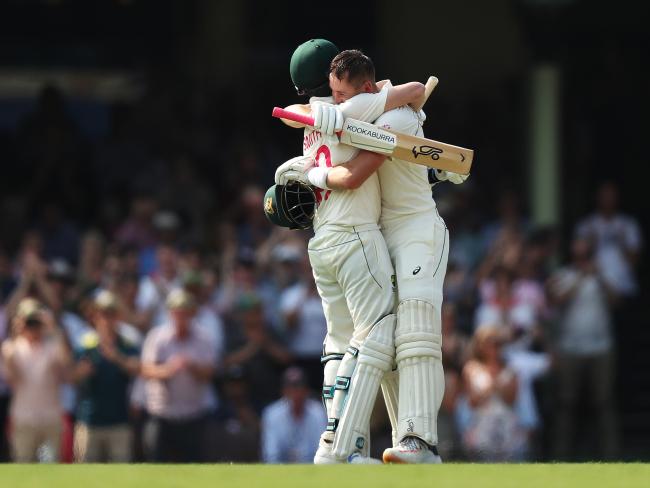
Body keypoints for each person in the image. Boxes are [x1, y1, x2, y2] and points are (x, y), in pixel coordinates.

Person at [275, 48, 468, 463]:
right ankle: (387, 441)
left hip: (416, 228)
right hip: (378, 232)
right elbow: (304, 112)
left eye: (343, 94)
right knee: (387, 340)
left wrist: (310, 166)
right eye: (333, 94)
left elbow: (396, 108)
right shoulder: (352, 107)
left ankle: (420, 441)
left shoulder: (370, 109)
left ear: (360, 86)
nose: (338, 100)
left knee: (415, 329)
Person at [546, 236, 620, 460]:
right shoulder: (564, 275)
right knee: (567, 404)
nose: (583, 259)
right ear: (573, 256)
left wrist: (599, 276)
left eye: (586, 255)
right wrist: (580, 277)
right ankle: (561, 456)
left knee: (604, 402)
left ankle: (611, 456)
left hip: (601, 348)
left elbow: (618, 301)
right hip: (571, 349)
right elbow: (557, 301)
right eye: (579, 256)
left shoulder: (603, 275)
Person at [140, 288, 216, 463]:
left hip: (193, 416)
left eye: (185, 313)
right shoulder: (157, 337)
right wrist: (168, 370)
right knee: (158, 473)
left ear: (192, 313)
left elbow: (210, 373)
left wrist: (191, 366)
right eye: (177, 313)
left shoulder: (203, 338)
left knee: (193, 472)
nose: (181, 317)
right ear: (170, 313)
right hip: (162, 416)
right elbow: (146, 370)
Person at [71, 290, 141, 463]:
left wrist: (116, 357)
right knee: (86, 478)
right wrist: (82, 371)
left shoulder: (127, 344)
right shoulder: (85, 344)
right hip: (89, 422)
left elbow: (138, 369)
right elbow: (72, 378)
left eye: (111, 313)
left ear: (118, 316)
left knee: (119, 478)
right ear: (95, 316)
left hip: (119, 422)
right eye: (103, 313)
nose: (107, 319)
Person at [1, 298, 70, 462]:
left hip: (50, 419)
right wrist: (17, 330)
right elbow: (13, 380)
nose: (32, 326)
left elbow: (66, 367)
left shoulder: (53, 346)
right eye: (28, 321)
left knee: (49, 469)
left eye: (35, 321)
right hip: (24, 420)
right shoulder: (11, 348)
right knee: (24, 469)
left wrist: (52, 328)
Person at [261, 366, 326, 463]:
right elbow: (271, 455)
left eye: (298, 386)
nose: (294, 392)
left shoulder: (318, 412)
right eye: (290, 387)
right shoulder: (271, 414)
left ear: (306, 390)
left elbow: (323, 452)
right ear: (283, 390)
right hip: (281, 473)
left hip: (313, 471)